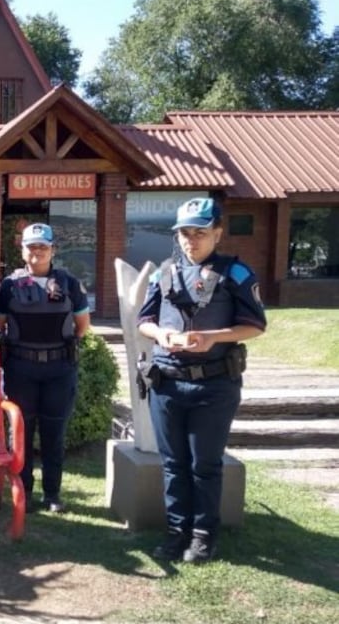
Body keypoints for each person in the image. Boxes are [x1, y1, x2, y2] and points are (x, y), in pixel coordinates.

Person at [137, 197, 266, 564]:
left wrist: (214, 337)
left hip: (213, 385)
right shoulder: (165, 273)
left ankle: (203, 535)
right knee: (173, 462)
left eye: (200, 233)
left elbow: (255, 326)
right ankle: (177, 532)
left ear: (218, 233)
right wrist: (161, 336)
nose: (191, 240)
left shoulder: (235, 274)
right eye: (184, 233)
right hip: (168, 382)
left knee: (205, 464)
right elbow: (143, 321)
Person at [0, 223, 90, 514]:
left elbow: (82, 326)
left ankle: (52, 494)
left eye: (43, 246)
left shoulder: (69, 283)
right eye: (31, 246)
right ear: (22, 249)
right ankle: (22, 491)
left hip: (59, 369)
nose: (37, 252)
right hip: (20, 368)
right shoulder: (9, 285)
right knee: (21, 432)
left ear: (53, 249)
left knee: (54, 433)